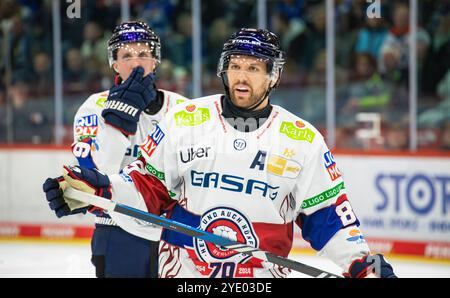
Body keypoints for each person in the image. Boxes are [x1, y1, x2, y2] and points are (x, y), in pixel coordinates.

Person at [44, 28, 396, 278]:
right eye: (236, 65)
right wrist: (99, 190)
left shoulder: (302, 139)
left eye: (254, 68)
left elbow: (328, 217)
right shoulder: (185, 120)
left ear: (273, 77)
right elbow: (146, 189)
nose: (242, 76)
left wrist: (360, 264)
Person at [43, 21, 189, 278]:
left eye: (143, 54)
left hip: (174, 231)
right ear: (114, 63)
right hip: (117, 230)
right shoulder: (94, 107)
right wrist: (118, 121)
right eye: (126, 55)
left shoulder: (182, 108)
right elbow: (94, 175)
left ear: (155, 60)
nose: (136, 62)